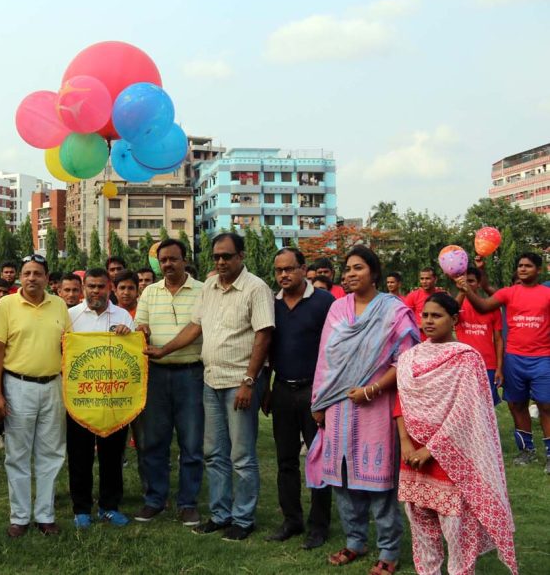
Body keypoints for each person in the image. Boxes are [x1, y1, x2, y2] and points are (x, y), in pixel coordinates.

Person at [147, 233, 274, 541]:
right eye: (217, 257)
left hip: (239, 383)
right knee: (214, 454)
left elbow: (264, 335)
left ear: (241, 256)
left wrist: (249, 380)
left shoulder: (256, 288)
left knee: (241, 456)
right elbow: (195, 327)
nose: (221, 262)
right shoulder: (210, 289)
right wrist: (164, 350)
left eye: (227, 256)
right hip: (210, 381)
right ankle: (220, 514)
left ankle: (243, 519)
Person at [308, 246, 418, 574]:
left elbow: (406, 360)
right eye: (347, 269)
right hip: (338, 404)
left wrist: (372, 389)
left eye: (358, 268)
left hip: (377, 405)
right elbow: (326, 358)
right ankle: (354, 541)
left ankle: (388, 550)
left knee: (378, 480)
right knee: (342, 479)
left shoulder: (394, 310)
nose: (350, 274)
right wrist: (319, 401)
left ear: (374, 272)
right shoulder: (338, 309)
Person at [395, 293, 518, 575]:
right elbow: (400, 402)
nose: (428, 321)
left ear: (454, 319)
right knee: (422, 529)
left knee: (456, 530)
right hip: (412, 456)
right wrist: (405, 443)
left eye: (436, 316)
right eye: (425, 315)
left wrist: (431, 449)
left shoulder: (466, 358)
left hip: (450, 459)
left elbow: (466, 411)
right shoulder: (409, 358)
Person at [0, 254, 71, 538]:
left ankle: (45, 515)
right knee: (18, 454)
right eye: (27, 273)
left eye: (37, 273)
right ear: (20, 277)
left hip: (52, 385)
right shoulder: (6, 304)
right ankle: (20, 516)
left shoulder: (59, 304)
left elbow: (68, 347)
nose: (32, 278)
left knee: (51, 453)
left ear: (47, 278)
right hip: (17, 385)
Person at [265, 248, 334, 550]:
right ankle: (292, 519)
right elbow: (265, 344)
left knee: (319, 460)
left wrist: (326, 396)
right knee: (286, 460)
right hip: (282, 388)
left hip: (314, 392)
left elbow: (335, 350)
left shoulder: (324, 302)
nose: (283, 275)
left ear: (304, 269)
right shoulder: (271, 303)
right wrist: (265, 388)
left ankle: (319, 526)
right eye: (279, 270)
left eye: (289, 269)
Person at [456, 252, 550, 472]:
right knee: (517, 405)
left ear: (539, 269)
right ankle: (526, 451)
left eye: (528, 266)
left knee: (546, 406)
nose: (523, 269)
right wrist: (467, 290)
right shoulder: (508, 293)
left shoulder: (547, 294)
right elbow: (482, 306)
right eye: (520, 265)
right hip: (514, 359)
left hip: (542, 359)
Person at [134, 239, 205, 527]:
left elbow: (197, 327)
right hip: (157, 375)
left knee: (191, 442)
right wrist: (142, 330)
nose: (168, 265)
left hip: (191, 373)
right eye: (163, 260)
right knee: (154, 441)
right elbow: (141, 325)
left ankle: (188, 503)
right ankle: (155, 500)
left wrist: (166, 348)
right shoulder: (150, 292)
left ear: (184, 260)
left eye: (173, 259)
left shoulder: (202, 291)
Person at [67, 268, 135, 529]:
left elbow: (132, 352)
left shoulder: (123, 316)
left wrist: (127, 335)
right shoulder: (70, 316)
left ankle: (109, 505)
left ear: (110, 288)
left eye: (101, 287)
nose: (96, 291)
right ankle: (81, 508)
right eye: (91, 286)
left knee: (111, 455)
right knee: (79, 455)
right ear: (84, 287)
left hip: (113, 399)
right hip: (81, 399)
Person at [455, 266, 504, 406]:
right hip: (462, 364)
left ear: (478, 283)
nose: (467, 285)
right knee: (465, 406)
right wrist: (461, 292)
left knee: (487, 405)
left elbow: (499, 339)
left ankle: (488, 429)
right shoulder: (457, 304)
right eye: (464, 281)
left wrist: (499, 368)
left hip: (487, 364)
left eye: (471, 281)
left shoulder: (491, 306)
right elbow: (450, 312)